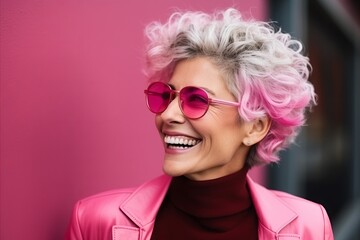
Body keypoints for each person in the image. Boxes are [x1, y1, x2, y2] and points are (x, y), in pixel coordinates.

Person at [65, 8, 334, 240]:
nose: (168, 114)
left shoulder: (308, 226)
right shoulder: (96, 221)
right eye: (166, 95)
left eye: (196, 100)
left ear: (255, 127)